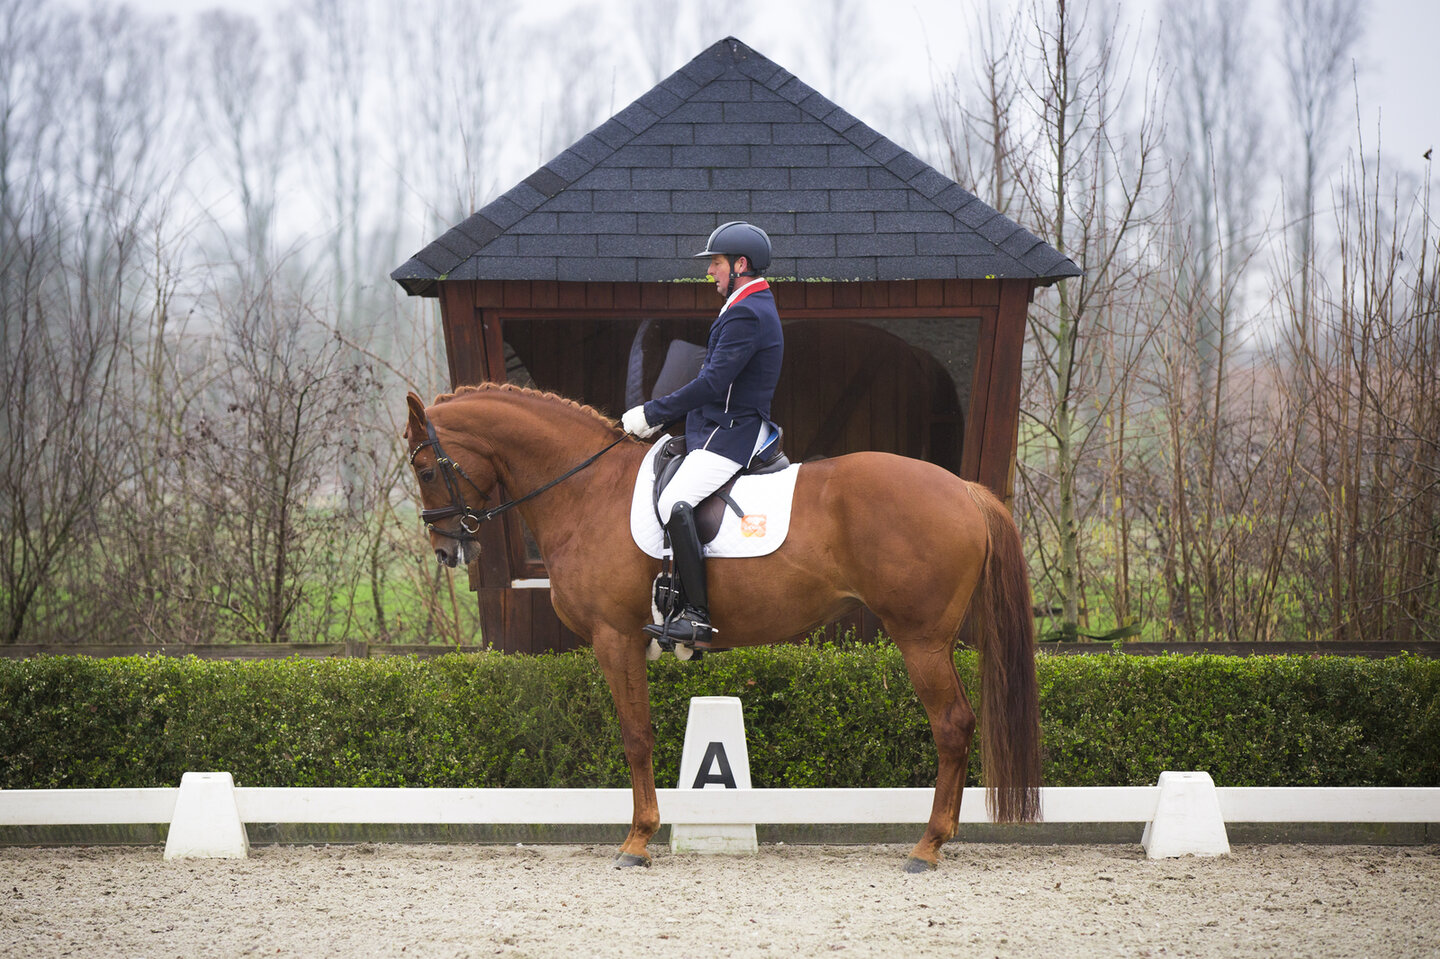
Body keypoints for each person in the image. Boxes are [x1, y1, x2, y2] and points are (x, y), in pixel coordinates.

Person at [621, 221, 783, 650]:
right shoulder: (745, 305)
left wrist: (654, 412)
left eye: (715, 262)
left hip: (730, 434)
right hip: (717, 427)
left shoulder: (747, 311)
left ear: (740, 264)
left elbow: (713, 385)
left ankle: (695, 616)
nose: (710, 271)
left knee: (676, 503)